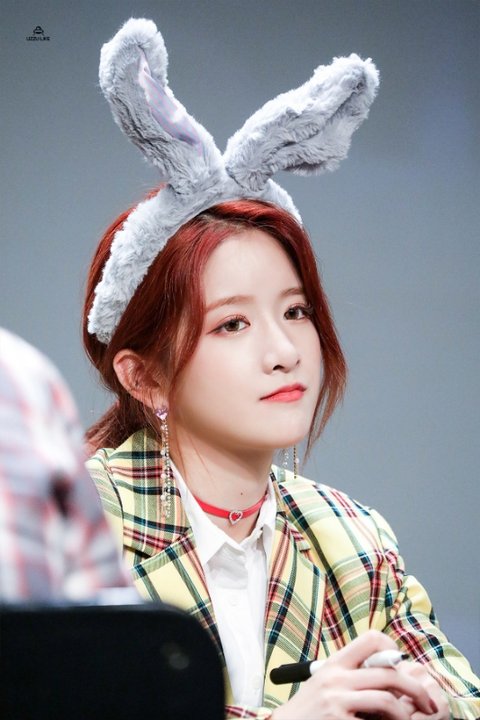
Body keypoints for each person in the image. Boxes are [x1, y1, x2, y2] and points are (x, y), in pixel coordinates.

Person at [83, 18, 480, 720]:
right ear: (143, 377)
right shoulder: (77, 527)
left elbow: (461, 696)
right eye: (232, 323)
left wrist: (424, 706)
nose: (285, 349)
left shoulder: (351, 536)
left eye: (296, 311)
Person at [0, 327, 131, 601]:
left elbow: (101, 608)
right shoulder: (20, 375)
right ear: (140, 376)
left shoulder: (24, 376)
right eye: (223, 326)